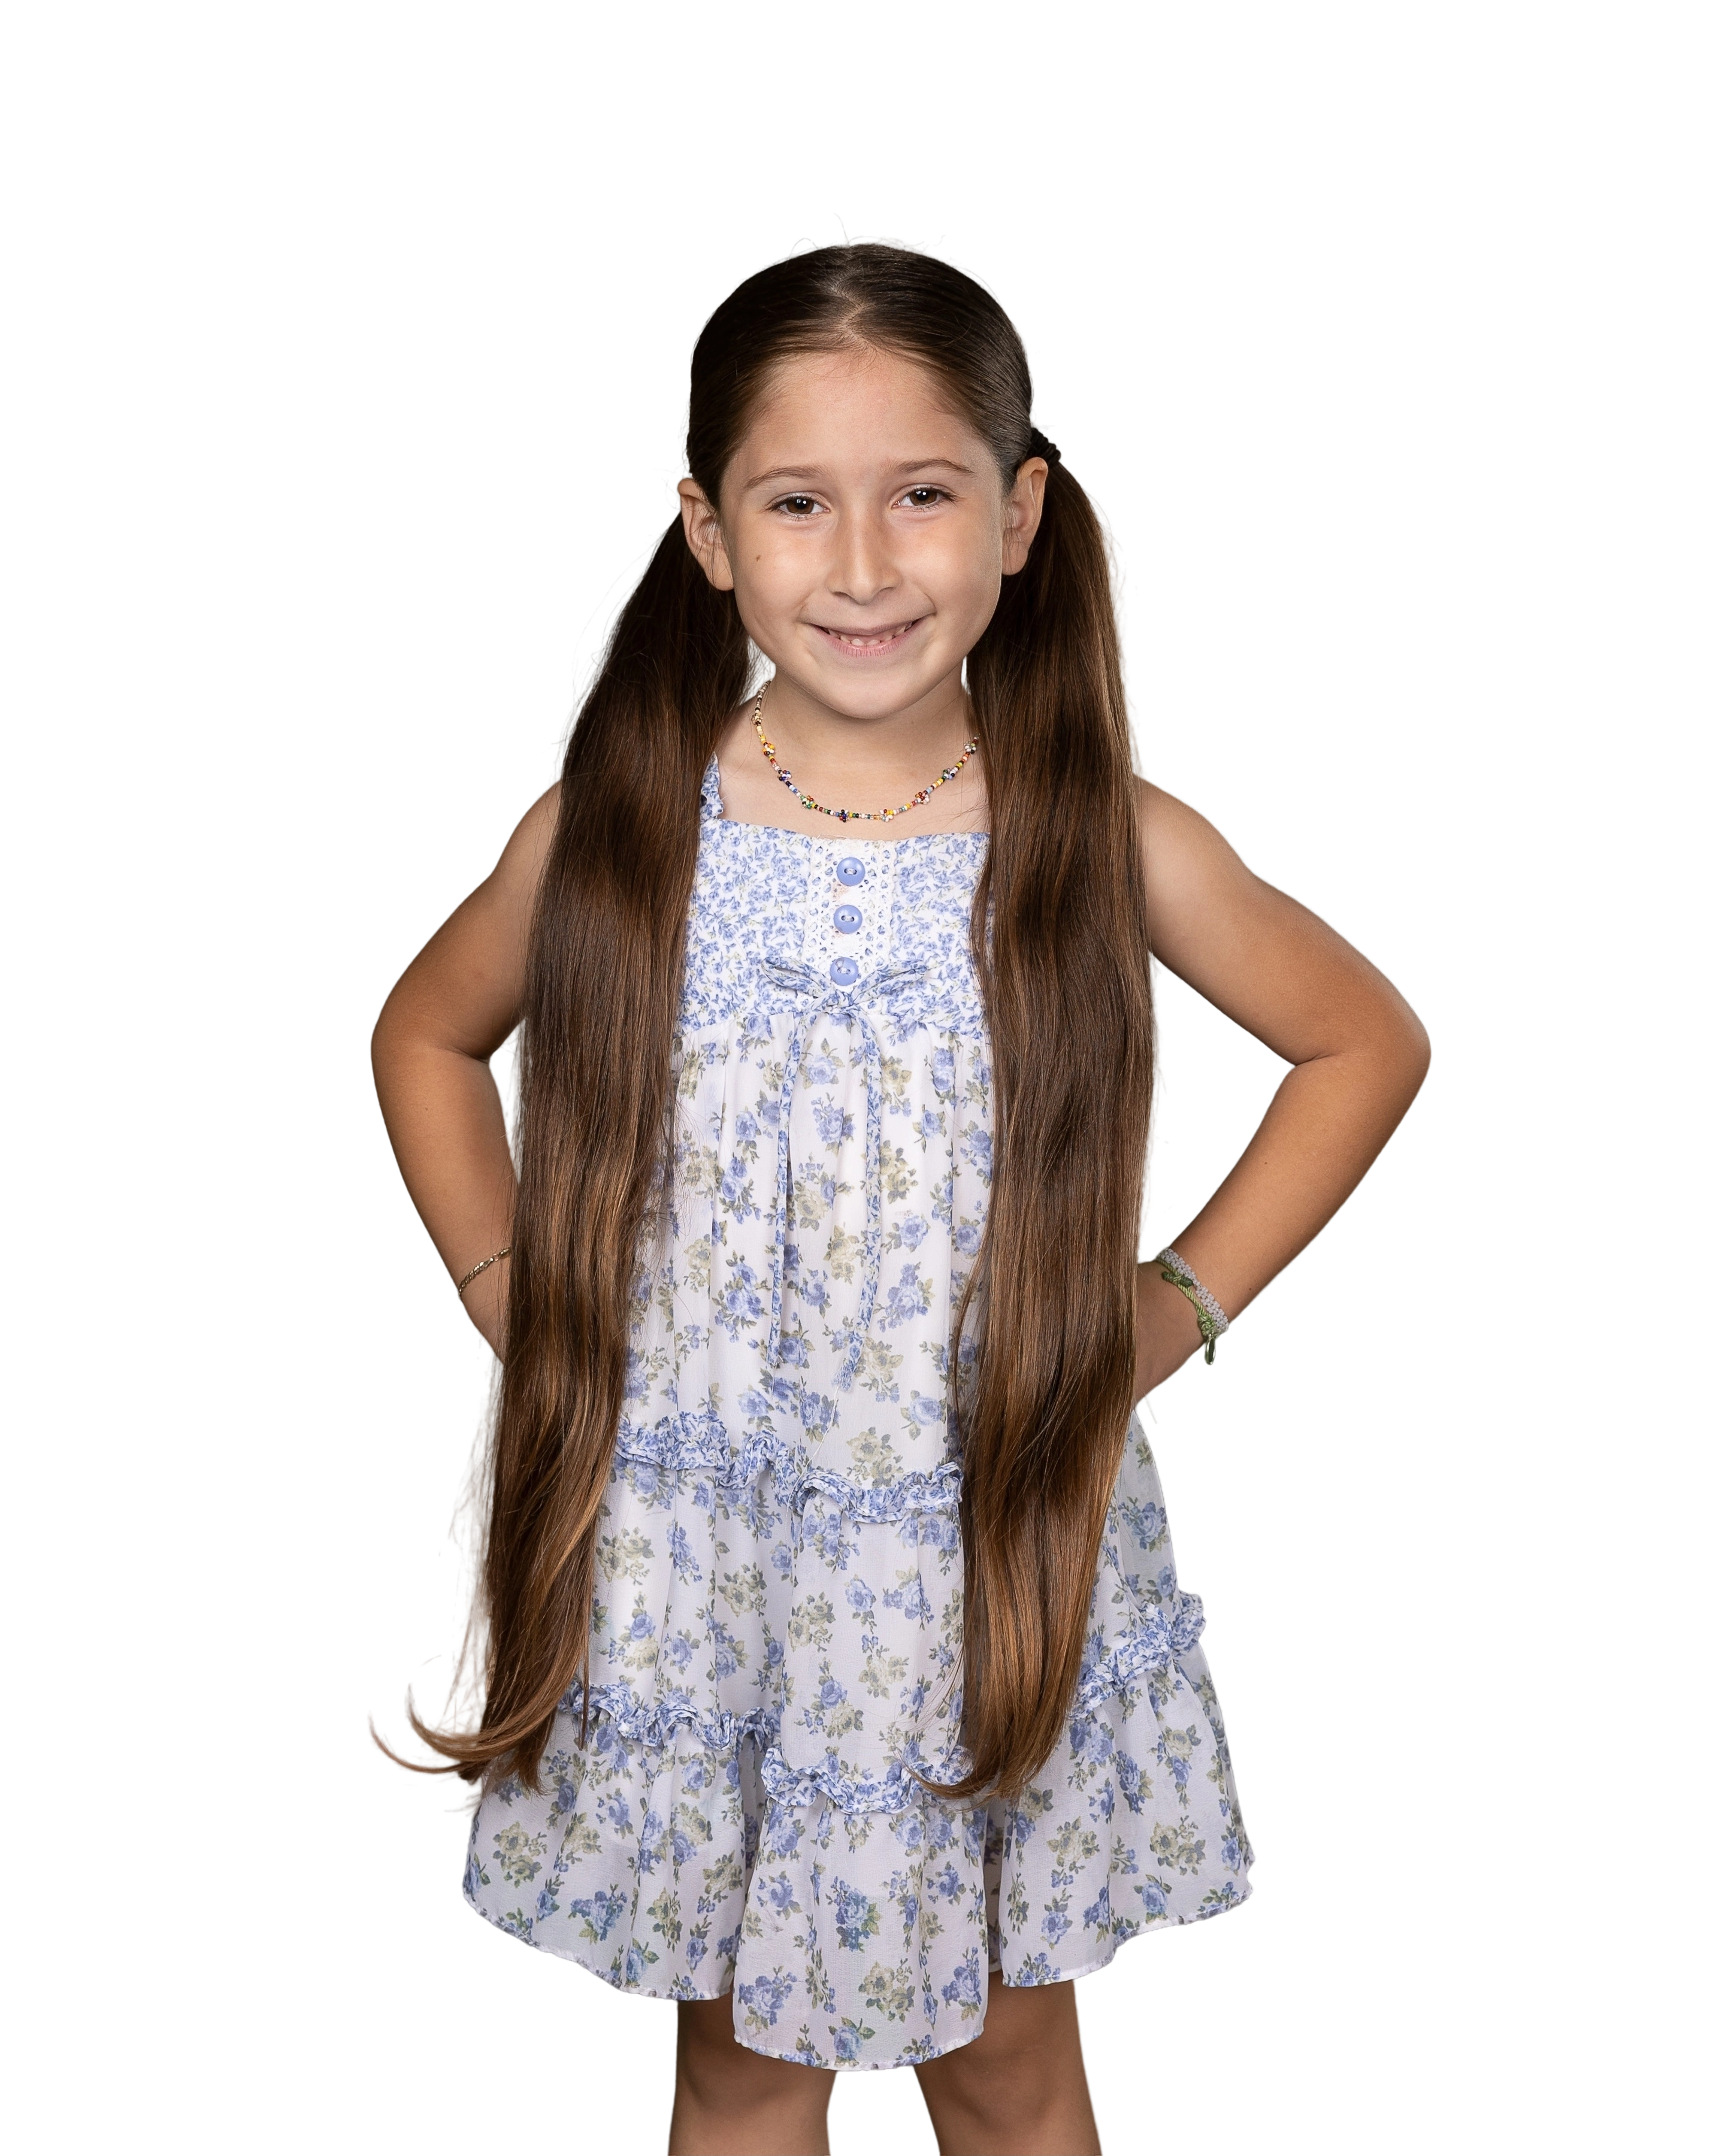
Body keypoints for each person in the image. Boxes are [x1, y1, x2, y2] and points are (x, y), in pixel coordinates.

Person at [367, 234, 1433, 2156]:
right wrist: (521, 1305)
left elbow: (1364, 1042)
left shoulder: (1104, 838)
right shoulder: (623, 831)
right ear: (708, 532)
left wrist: (1171, 1311)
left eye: (922, 494)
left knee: (1007, 2064)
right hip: (709, 1571)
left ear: (1019, 515)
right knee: (742, 2067)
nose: (862, 564)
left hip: (983, 1546)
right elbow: (428, 1038)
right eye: (798, 502)